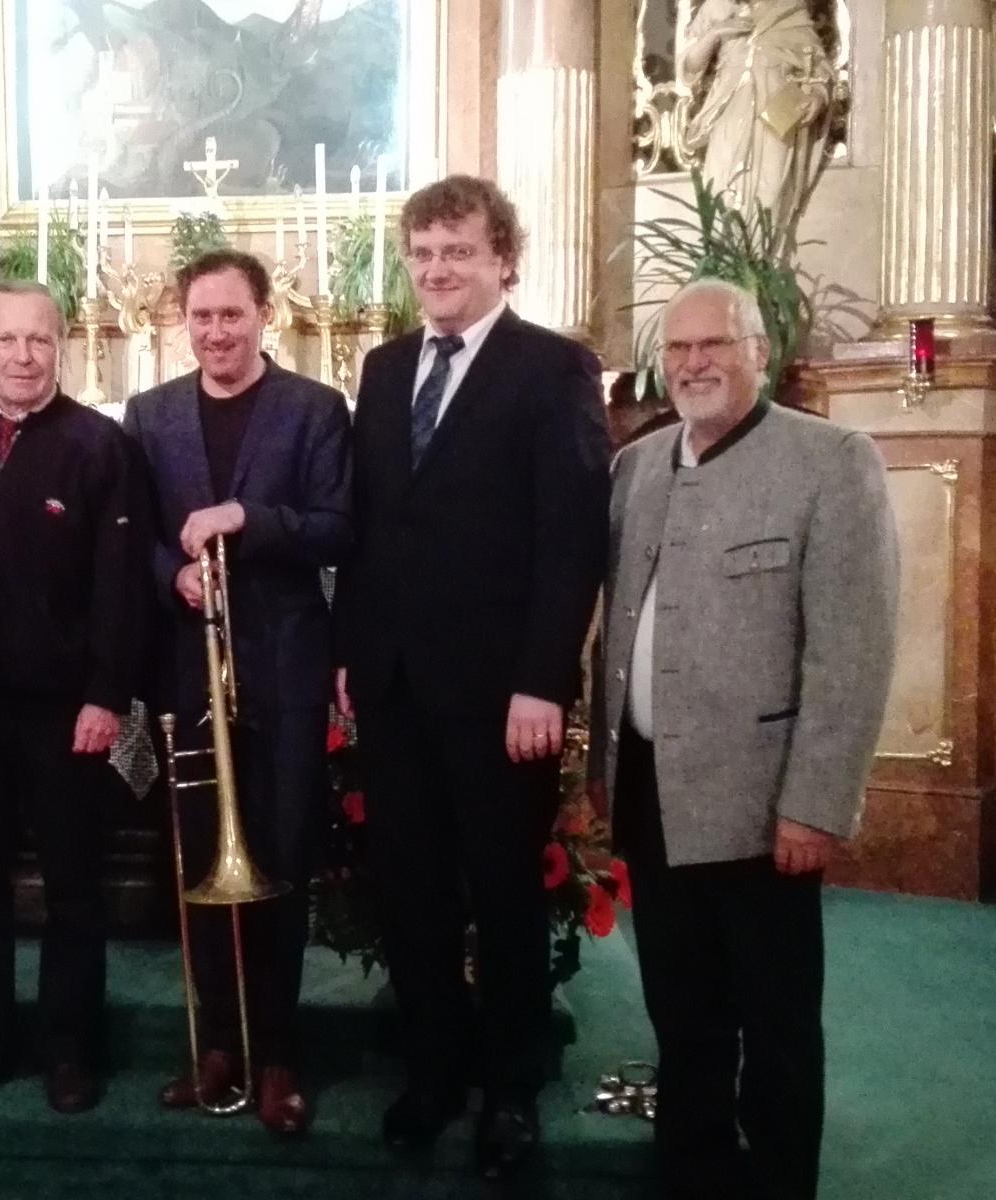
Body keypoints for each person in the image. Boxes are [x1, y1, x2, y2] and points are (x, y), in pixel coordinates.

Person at [592, 278, 898, 1200]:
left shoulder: (829, 461)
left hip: (762, 805)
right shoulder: (634, 467)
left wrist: (814, 804)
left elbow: (851, 651)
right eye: (679, 348)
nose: (694, 363)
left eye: (713, 345)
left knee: (774, 1024)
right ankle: (692, 1172)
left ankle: (777, 1183)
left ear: (757, 352)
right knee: (680, 1013)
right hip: (651, 790)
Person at [333, 175, 611, 1174]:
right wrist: (349, 655)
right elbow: (368, 527)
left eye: (457, 251)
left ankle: (509, 1091)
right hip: (395, 685)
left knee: (501, 894)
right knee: (408, 891)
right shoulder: (384, 366)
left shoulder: (553, 367)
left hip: (501, 696)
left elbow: (571, 536)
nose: (436, 269)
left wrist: (543, 679)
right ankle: (434, 1073)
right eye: (422, 253)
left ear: (503, 259)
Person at [122, 249, 351, 1135]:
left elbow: (336, 528)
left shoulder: (314, 409)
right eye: (201, 316)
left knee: (280, 857)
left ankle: (279, 1051)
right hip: (190, 667)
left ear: (265, 315)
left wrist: (247, 520)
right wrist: (170, 575)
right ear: (183, 321)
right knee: (198, 862)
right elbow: (133, 535)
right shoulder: (149, 415)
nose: (216, 332)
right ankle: (218, 1042)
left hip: (284, 665)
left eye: (232, 314)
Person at [0, 281, 147, 1116]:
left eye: (39, 340)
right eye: (6, 340)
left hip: (64, 709)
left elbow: (120, 584)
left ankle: (68, 1051)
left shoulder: (99, 445)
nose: (22, 356)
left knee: (73, 887)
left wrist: (106, 694)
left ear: (62, 347)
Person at [680, 0, 832, 232]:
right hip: (728, 113)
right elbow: (688, 68)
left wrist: (818, 96)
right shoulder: (716, 7)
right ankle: (724, 253)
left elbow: (819, 67)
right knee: (721, 186)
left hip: (775, 117)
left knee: (769, 195)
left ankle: (763, 254)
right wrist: (714, 33)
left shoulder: (790, 8)